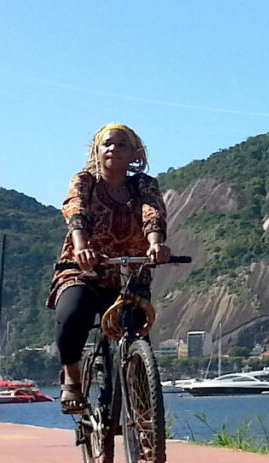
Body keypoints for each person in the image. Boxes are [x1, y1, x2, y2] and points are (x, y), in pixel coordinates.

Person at [46, 123, 170, 413]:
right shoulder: (85, 181)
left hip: (129, 272)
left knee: (137, 338)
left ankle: (144, 423)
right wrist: (81, 247)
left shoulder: (143, 185)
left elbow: (151, 213)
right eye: (108, 144)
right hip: (85, 268)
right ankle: (73, 380)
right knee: (72, 315)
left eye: (122, 144)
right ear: (97, 151)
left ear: (135, 154)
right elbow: (75, 210)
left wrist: (155, 243)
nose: (114, 149)